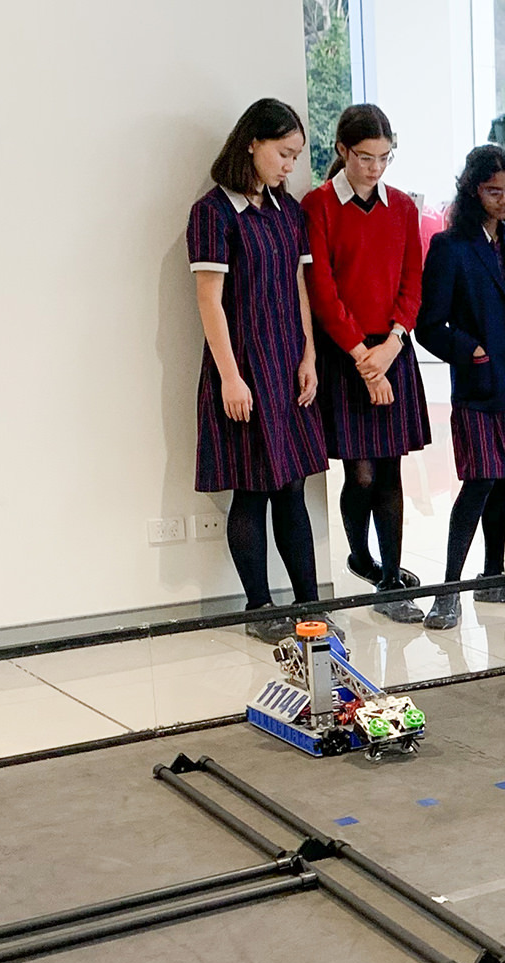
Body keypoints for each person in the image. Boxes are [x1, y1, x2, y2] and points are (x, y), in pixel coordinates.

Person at [187, 98, 330, 645]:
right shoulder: (213, 213)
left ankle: (310, 604)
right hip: (243, 367)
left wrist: (309, 356)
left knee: (292, 485)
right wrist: (229, 376)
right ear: (252, 142)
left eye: (295, 156)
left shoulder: (287, 212)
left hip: (287, 364)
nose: (290, 165)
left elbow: (297, 289)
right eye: (283, 152)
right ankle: (258, 607)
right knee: (251, 490)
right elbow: (208, 299)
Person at [415, 145, 505, 630]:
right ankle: (448, 591)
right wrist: (469, 349)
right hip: (477, 383)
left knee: (504, 478)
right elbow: (428, 325)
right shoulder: (450, 247)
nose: (504, 200)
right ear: (474, 191)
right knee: (479, 482)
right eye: (494, 191)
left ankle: (494, 578)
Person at [303, 104, 429, 624]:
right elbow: (323, 292)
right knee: (359, 475)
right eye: (364, 157)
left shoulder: (402, 208)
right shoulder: (318, 206)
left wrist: (393, 345)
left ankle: (391, 584)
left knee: (392, 472)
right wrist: (362, 357)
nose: (375, 168)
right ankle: (360, 555)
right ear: (341, 151)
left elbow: (412, 284)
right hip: (346, 353)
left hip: (393, 350)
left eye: (384, 157)